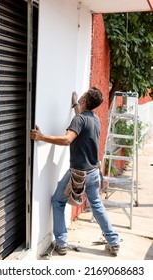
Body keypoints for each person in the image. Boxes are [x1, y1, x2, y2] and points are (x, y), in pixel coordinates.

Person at [30, 87, 120, 256]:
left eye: (83, 96)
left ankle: (62, 243)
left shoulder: (79, 120)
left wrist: (41, 137)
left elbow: (67, 140)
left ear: (85, 100)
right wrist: (74, 104)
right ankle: (113, 241)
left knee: (57, 201)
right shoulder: (95, 119)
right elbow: (81, 118)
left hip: (79, 174)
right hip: (94, 173)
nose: (81, 97)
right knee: (97, 205)